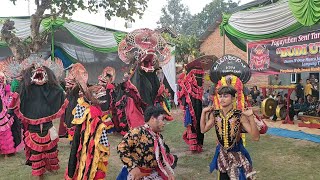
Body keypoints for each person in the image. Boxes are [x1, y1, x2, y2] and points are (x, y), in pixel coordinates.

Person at [200, 86, 259, 180]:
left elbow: (255, 137)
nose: (222, 98)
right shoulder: (215, 114)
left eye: (225, 96)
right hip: (222, 155)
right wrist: (203, 112)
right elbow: (203, 130)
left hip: (237, 155)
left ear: (233, 98)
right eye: (221, 96)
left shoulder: (239, 115)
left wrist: (251, 117)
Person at [117, 106, 178, 180]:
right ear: (153, 119)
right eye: (162, 119)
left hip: (151, 173)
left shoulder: (158, 137)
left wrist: (169, 172)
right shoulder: (138, 132)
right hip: (136, 174)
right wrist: (132, 167)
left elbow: (161, 158)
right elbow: (121, 147)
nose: (164, 123)